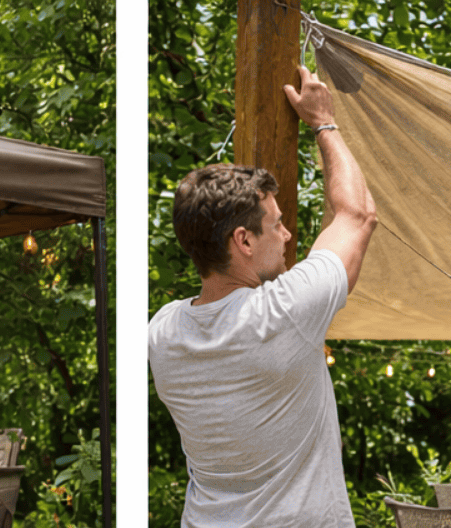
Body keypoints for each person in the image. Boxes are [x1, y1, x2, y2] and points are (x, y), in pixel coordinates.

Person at [147, 65, 378, 527]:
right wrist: (323, 122)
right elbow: (357, 216)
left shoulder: (161, 333)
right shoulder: (283, 314)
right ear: (244, 241)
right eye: (277, 224)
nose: (288, 235)